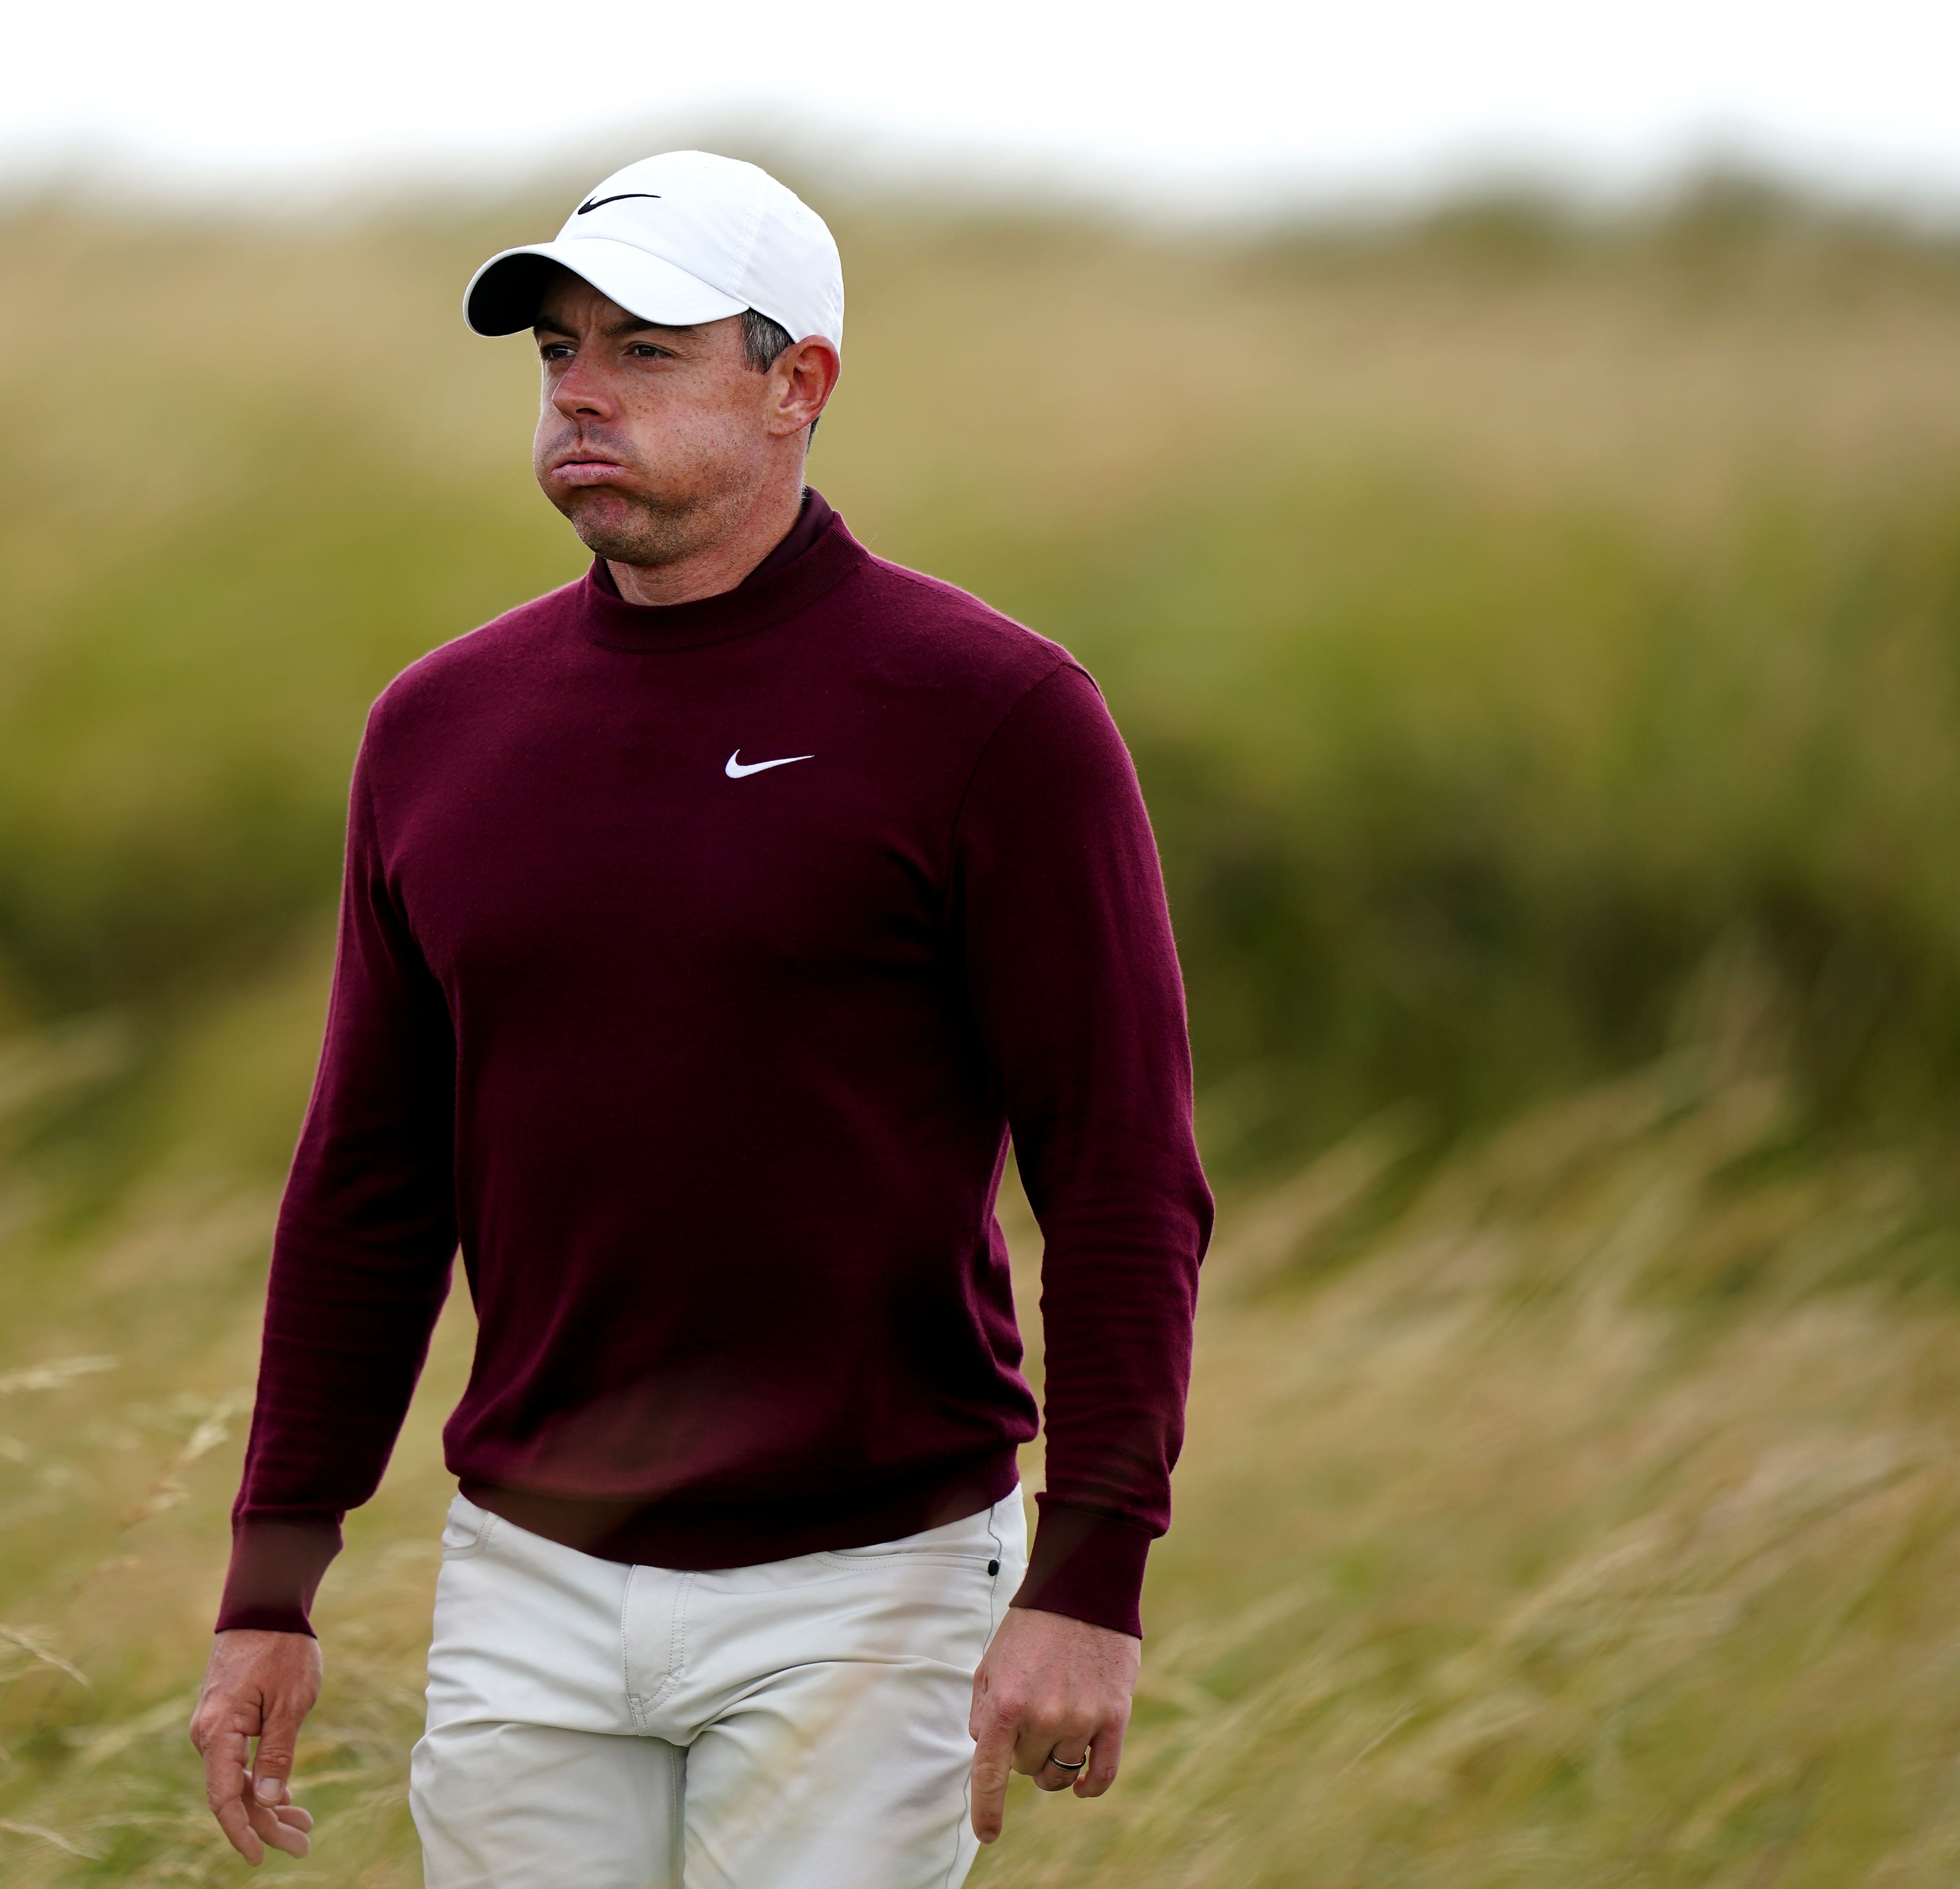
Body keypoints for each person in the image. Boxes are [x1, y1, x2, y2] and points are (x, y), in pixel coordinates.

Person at [189, 149, 1213, 1888]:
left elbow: (1121, 1176)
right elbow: (367, 1186)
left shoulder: (992, 714)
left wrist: (1089, 1574)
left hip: (867, 1579)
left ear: (796, 383)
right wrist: (269, 1587)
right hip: (528, 1570)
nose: (578, 388)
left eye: (645, 350)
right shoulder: (439, 727)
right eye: (553, 350)